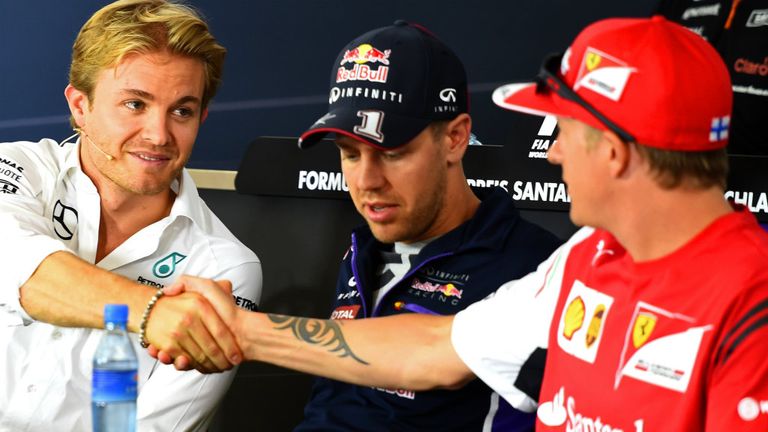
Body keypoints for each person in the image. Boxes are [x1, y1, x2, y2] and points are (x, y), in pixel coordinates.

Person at [163, 16, 768, 431]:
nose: (552, 151)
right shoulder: (585, 260)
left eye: (566, 132)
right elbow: (434, 347)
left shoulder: (752, 298)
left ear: (612, 151)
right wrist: (240, 330)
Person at [0, 1, 261, 431]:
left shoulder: (224, 268)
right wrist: (156, 313)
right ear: (80, 106)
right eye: (135, 104)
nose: (159, 135)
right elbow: (22, 269)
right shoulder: (15, 170)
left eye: (182, 110)